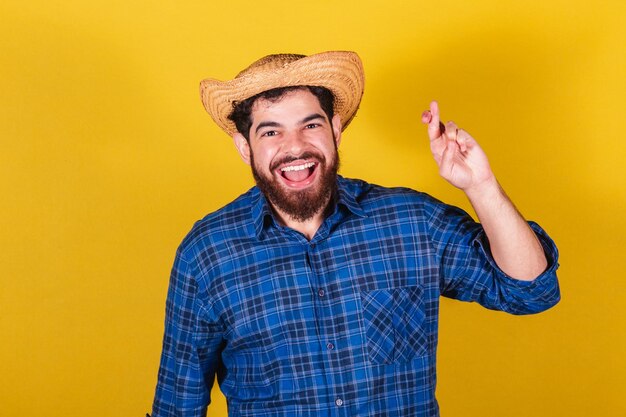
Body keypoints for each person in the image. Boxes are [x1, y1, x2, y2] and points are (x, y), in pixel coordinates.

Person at [149, 51, 560, 417]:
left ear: (335, 129)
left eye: (310, 125)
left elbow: (530, 290)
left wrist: (481, 185)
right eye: (271, 132)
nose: (295, 147)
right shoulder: (208, 253)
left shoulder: (410, 221)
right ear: (245, 147)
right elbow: (177, 403)